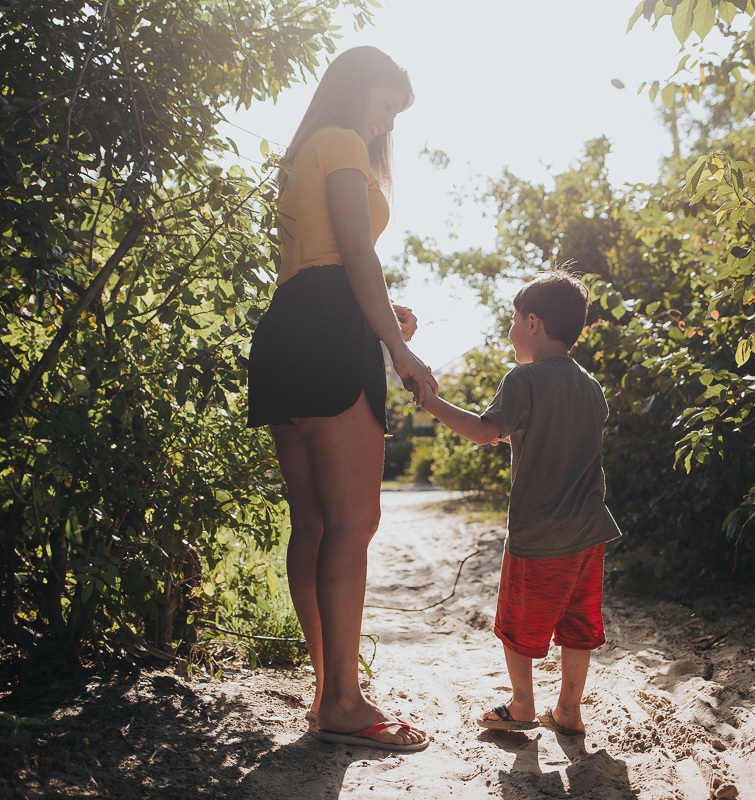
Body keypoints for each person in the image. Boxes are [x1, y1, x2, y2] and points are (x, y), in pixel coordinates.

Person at [245, 46, 434, 752]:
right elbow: (356, 254)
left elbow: (319, 263)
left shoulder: (302, 152)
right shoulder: (345, 142)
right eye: (387, 103)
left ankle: (328, 689)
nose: (388, 123)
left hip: (286, 331)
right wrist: (398, 347)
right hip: (329, 334)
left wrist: (381, 317)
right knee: (354, 523)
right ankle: (345, 702)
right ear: (360, 88)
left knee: (314, 524)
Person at [416, 270, 621, 736]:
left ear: (533, 322)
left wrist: (430, 401)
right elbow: (563, 436)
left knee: (518, 623)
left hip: (539, 533)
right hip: (589, 531)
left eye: (512, 320)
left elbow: (485, 431)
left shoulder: (523, 379)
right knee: (577, 622)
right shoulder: (591, 387)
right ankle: (569, 710)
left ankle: (523, 704)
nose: (510, 331)